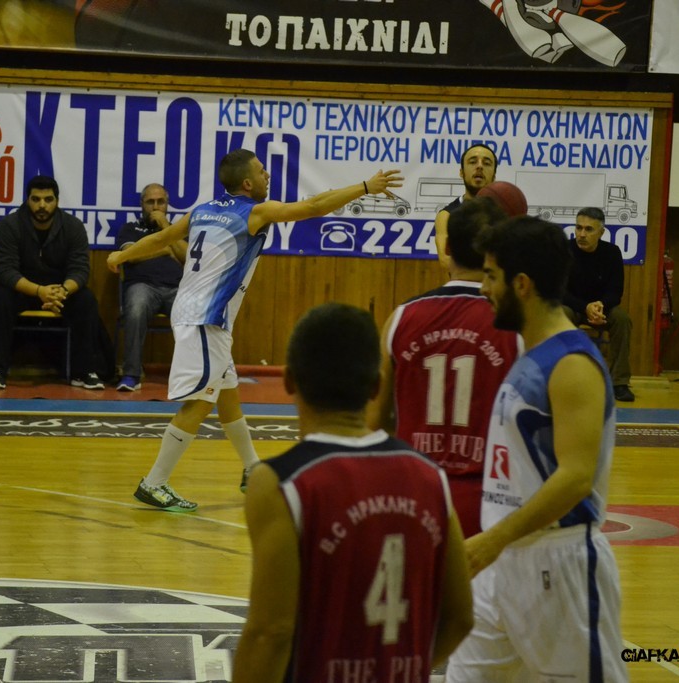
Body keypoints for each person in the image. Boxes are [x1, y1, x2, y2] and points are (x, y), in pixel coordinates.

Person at [107, 149, 402, 511]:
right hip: (204, 318)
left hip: (197, 314)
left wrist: (121, 256)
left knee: (227, 395)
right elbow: (314, 207)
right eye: (262, 171)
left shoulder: (201, 210)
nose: (267, 176)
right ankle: (154, 482)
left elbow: (162, 238)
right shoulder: (254, 212)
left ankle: (252, 468)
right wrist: (365, 187)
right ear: (247, 183)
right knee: (201, 401)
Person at [233, 303, 473, 683]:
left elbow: (270, 633)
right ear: (377, 385)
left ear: (289, 381)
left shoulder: (280, 482)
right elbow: (460, 617)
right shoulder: (430, 476)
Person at [446, 216, 628, 683]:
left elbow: (576, 478)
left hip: (560, 567)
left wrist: (493, 539)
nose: (484, 288)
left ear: (522, 284)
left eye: (491, 276)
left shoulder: (572, 364)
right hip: (503, 565)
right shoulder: (529, 353)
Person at [369, 198, 520, 538]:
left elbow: (375, 421)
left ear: (447, 247)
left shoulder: (401, 318)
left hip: (415, 494)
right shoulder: (516, 325)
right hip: (490, 502)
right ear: (498, 251)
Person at [0, 175, 112, 390]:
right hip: (22, 289)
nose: (42, 205)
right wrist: (39, 291)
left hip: (59, 292)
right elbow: (5, 270)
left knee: (86, 299)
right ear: (27, 200)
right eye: (36, 199)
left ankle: (84, 372)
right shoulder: (10, 224)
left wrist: (63, 291)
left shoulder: (73, 226)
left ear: (57, 201)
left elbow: (80, 270)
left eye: (48, 199)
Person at [114, 183, 185, 392]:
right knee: (136, 309)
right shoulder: (131, 229)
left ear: (167, 204)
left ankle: (191, 376)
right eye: (150, 202)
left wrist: (165, 227)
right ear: (141, 204)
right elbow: (130, 256)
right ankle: (131, 375)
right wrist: (165, 250)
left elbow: (187, 256)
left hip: (177, 288)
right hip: (142, 286)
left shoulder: (178, 230)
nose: (155, 207)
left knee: (194, 311)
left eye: (160, 202)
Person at [562, 206, 635, 402]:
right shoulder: (565, 250)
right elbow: (559, 291)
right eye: (578, 228)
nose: (582, 234)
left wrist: (600, 306)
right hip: (574, 307)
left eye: (588, 229)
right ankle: (562, 376)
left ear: (601, 233)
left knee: (622, 319)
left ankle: (619, 382)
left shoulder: (612, 253)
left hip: (602, 308)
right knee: (560, 314)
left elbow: (616, 291)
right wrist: (585, 308)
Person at [433, 144, 497, 270]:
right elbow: (445, 260)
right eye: (473, 162)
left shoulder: (503, 212)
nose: (479, 166)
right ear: (461, 172)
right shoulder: (447, 216)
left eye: (486, 163)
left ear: (494, 176)